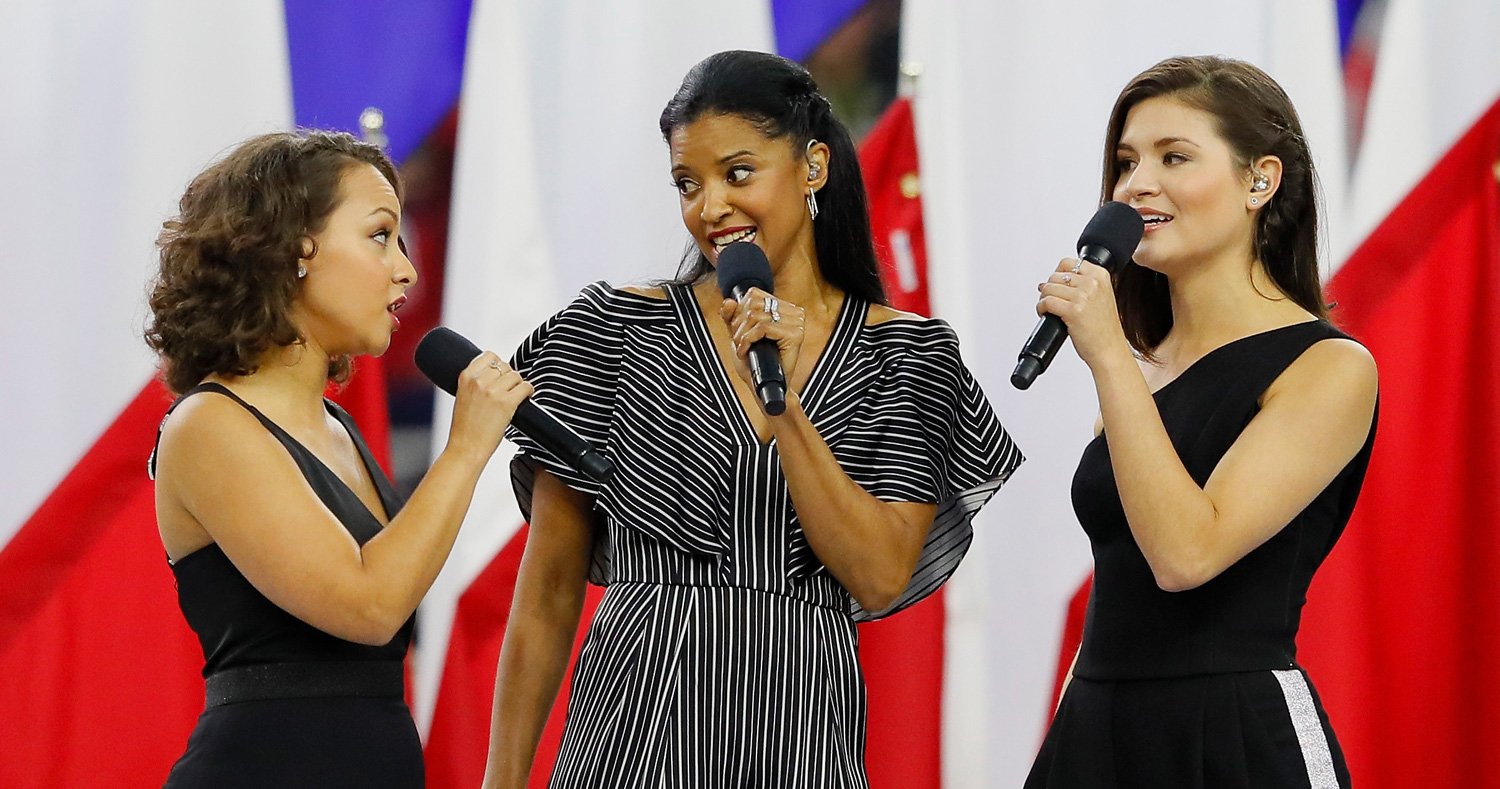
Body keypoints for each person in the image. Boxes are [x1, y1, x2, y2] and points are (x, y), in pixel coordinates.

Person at [481, 50, 1023, 788]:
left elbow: (880, 573)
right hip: (631, 735)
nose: (710, 208)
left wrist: (786, 411)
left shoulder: (909, 356)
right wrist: (502, 780)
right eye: (687, 183)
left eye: (738, 174)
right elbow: (546, 592)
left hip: (801, 733)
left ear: (814, 167)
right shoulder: (612, 331)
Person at [1023, 56, 1379, 787]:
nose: (1135, 186)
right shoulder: (1144, 367)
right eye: (1126, 162)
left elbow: (1186, 554)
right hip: (1096, 731)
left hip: (1233, 738)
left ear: (1261, 180)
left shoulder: (1329, 367)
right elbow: (1122, 583)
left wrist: (1109, 360)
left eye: (1173, 157)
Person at [145, 129, 532, 787]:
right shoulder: (207, 424)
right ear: (295, 248)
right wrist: (466, 447)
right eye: (381, 235)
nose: (406, 269)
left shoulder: (340, 427)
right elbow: (369, 604)